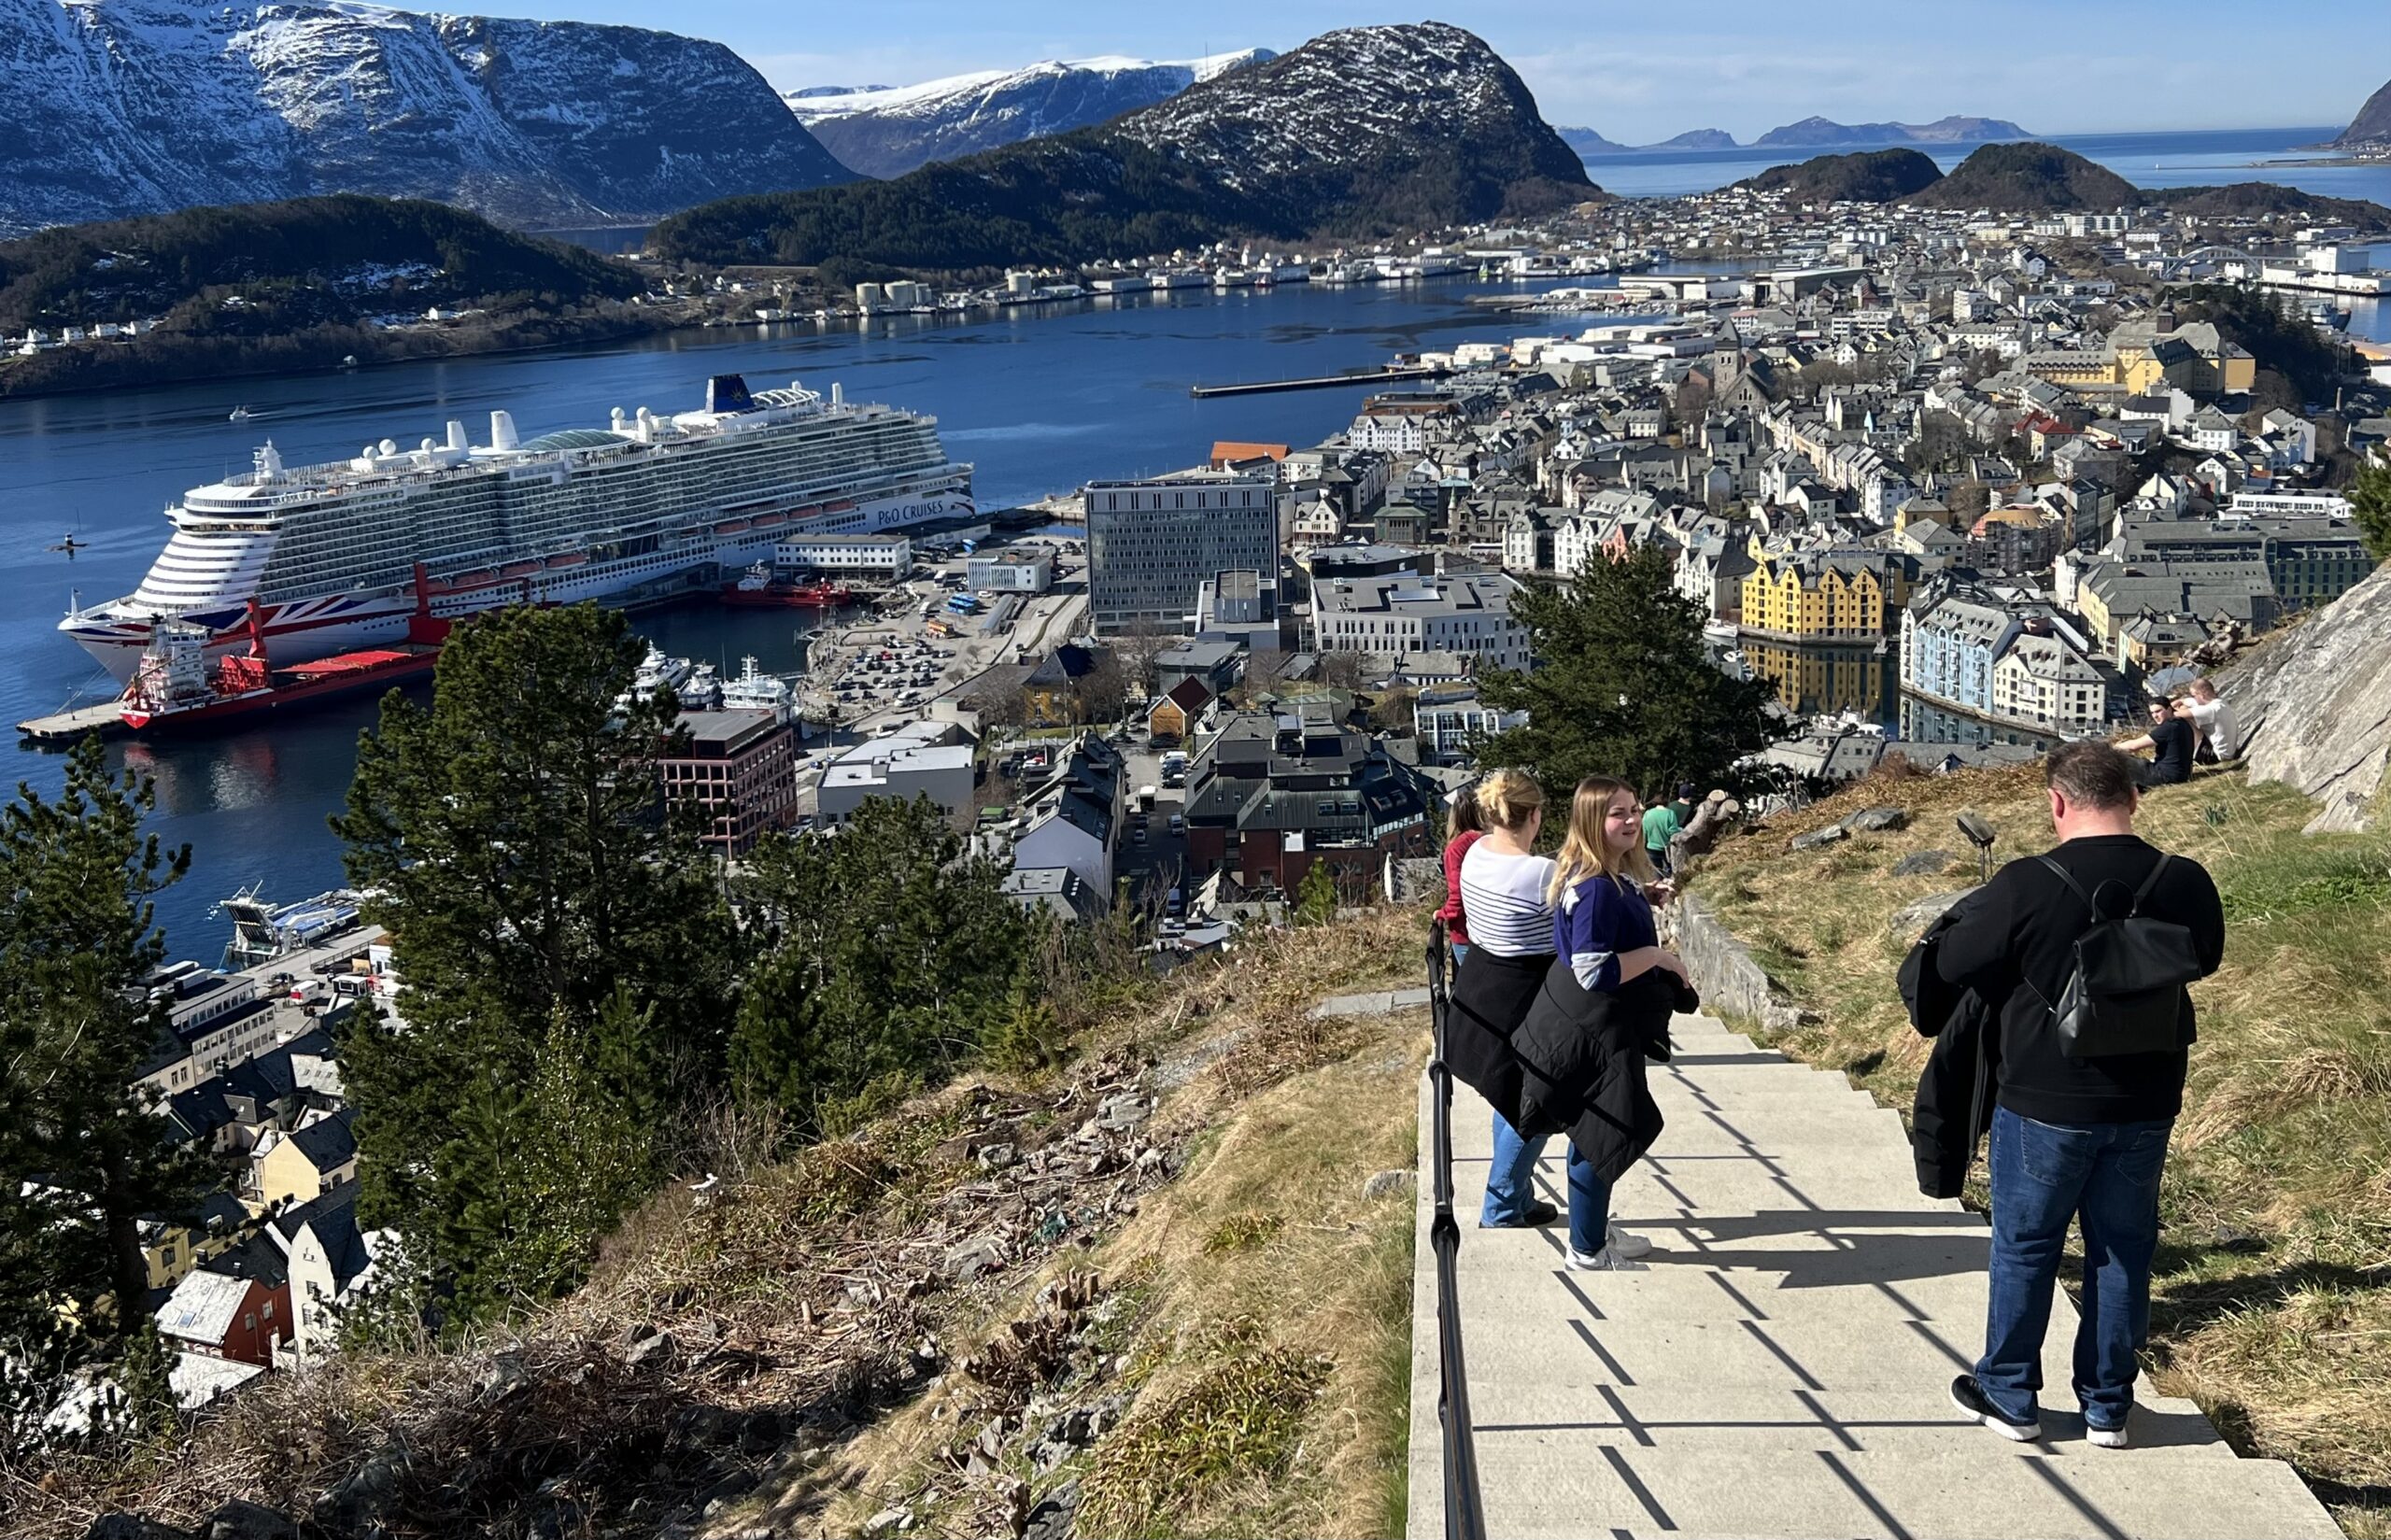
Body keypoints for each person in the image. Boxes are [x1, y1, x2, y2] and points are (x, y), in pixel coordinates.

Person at [1931, 741, 2225, 1448]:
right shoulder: (2182, 878)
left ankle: (2010, 1395)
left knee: (2026, 1245)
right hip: (2147, 1096)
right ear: (2134, 797)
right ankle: (2108, 1407)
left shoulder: (2026, 882)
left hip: (2045, 1096)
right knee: (2122, 1248)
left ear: (2057, 802)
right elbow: (2206, 958)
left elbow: (1954, 961)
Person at [1510, 777, 1690, 1270]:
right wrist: (1659, 957)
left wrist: (1642, 896)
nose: (1632, 820)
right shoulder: (1595, 888)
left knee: (1591, 1132)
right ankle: (1587, 1250)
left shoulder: (1598, 872)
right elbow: (1593, 970)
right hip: (1595, 1028)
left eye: (1634, 809)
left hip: (1583, 1019)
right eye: (1618, 813)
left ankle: (1590, 1230)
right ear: (1593, 820)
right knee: (1601, 1134)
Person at [1445, 770, 1563, 1229]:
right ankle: (1502, 1206)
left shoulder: (1475, 852)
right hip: (1530, 997)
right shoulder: (1542, 873)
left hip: (1483, 986)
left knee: (1508, 1097)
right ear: (1534, 816)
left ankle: (1518, 1195)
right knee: (1536, 1107)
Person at [1436, 784, 1485, 967]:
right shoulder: (1489, 841)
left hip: (1465, 931)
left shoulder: (1456, 849)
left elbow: (1457, 892)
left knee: (1470, 980)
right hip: (1492, 928)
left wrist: (1443, 913)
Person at [2114, 695, 2194, 788]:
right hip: (2183, 775)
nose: (2155, 716)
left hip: (2165, 776)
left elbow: (2134, 746)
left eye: (2158, 711)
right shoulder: (2183, 723)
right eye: (2152, 713)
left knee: (2119, 759)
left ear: (2169, 709)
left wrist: (2113, 748)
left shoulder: (2169, 727)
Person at [2181, 676, 2238, 765]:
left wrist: (2173, 708)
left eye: (2194, 695)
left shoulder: (2209, 710)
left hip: (2216, 755)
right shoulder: (2219, 703)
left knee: (2184, 720)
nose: (2194, 698)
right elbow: (2184, 701)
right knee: (2185, 710)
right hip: (2228, 752)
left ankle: (2185, 755)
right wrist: (2179, 704)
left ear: (2202, 694)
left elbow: (2174, 715)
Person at [1640, 789, 1684, 876]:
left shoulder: (1648, 813)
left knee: (1656, 874)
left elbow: (1644, 831)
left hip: (1651, 849)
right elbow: (1673, 832)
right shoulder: (1670, 814)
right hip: (1666, 849)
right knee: (1669, 874)